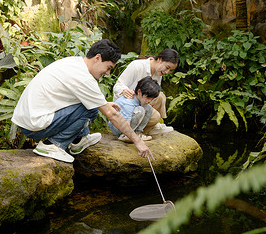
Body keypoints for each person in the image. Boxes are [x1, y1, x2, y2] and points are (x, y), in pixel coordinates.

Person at [12, 39, 154, 163]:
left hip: (29, 119)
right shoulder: (84, 78)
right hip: (35, 124)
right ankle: (53, 145)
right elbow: (112, 115)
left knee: (93, 106)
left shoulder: (75, 63)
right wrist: (138, 141)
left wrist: (104, 104)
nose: (108, 73)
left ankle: (79, 140)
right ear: (98, 58)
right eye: (108, 67)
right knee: (91, 109)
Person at [113, 48, 179, 135]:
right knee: (152, 115)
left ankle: (151, 127)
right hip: (126, 106)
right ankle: (136, 132)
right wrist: (124, 90)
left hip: (141, 103)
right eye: (167, 67)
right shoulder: (137, 66)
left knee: (160, 96)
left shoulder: (159, 73)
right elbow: (117, 85)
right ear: (159, 59)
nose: (167, 72)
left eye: (171, 70)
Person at [108, 76, 161, 143]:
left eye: (152, 99)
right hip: (118, 127)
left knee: (149, 108)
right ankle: (125, 136)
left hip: (127, 125)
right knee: (140, 110)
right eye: (148, 98)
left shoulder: (138, 97)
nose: (149, 101)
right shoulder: (128, 102)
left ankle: (137, 133)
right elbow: (126, 123)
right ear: (139, 92)